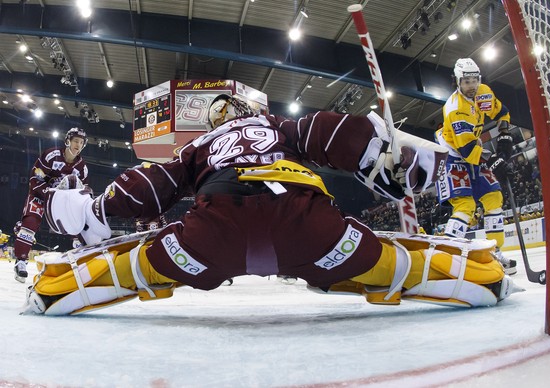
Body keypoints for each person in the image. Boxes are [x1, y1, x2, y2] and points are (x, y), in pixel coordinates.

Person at [23, 94, 515, 316]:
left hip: (210, 239)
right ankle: (486, 279)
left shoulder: (196, 150)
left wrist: (98, 211)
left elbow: (154, 183)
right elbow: (325, 131)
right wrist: (380, 151)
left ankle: (55, 290)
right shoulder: (279, 127)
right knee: (389, 261)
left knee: (141, 261)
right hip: (312, 230)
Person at [435, 58, 517, 275]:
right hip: (452, 156)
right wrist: (495, 161)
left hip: (474, 150)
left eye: (474, 80)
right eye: (466, 81)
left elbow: (502, 114)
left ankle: (493, 254)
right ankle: (447, 257)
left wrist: (505, 133)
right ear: (458, 82)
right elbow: (468, 152)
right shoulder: (455, 108)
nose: (471, 86)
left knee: (494, 198)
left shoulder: (483, 92)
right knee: (465, 206)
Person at [13, 127, 89, 282]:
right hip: (41, 195)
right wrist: (47, 192)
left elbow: (83, 192)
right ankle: (20, 262)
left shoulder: (82, 168)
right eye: (76, 141)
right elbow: (35, 179)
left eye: (81, 142)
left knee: (77, 226)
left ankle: (80, 261)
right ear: (67, 141)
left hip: (62, 201)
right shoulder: (51, 155)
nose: (78, 145)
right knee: (30, 222)